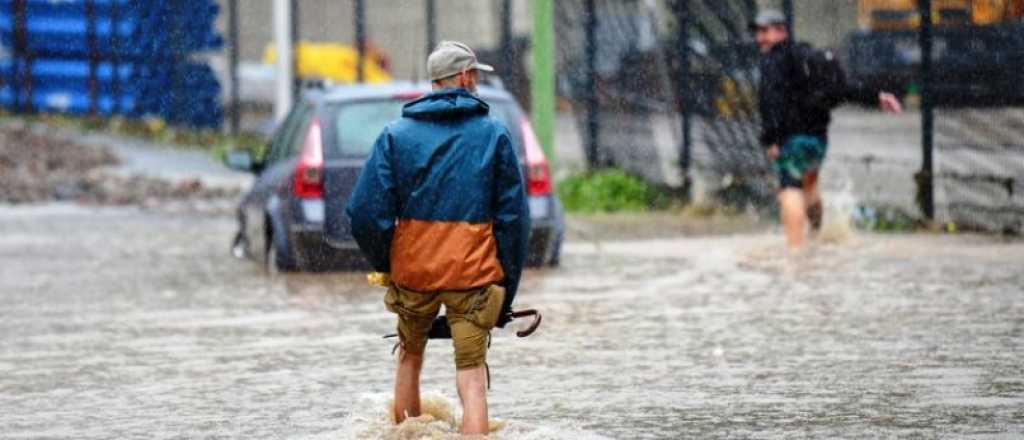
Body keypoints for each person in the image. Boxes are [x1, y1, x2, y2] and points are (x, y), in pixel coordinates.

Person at [346, 41, 530, 436]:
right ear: (464, 78)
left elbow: (363, 212)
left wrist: (387, 262)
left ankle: (408, 433)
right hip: (473, 276)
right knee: (472, 378)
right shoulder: (494, 134)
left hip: (414, 274)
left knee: (409, 358)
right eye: (475, 75)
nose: (477, 81)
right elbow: (513, 220)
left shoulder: (395, 135)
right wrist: (507, 291)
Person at [751, 10, 903, 248]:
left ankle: (795, 252)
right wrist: (876, 97)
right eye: (757, 32)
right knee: (810, 185)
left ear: (781, 31)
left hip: (791, 139)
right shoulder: (809, 56)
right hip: (818, 140)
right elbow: (841, 88)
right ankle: (815, 237)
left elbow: (770, 100)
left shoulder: (773, 60)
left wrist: (771, 139)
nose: (759, 38)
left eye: (764, 32)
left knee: (790, 190)